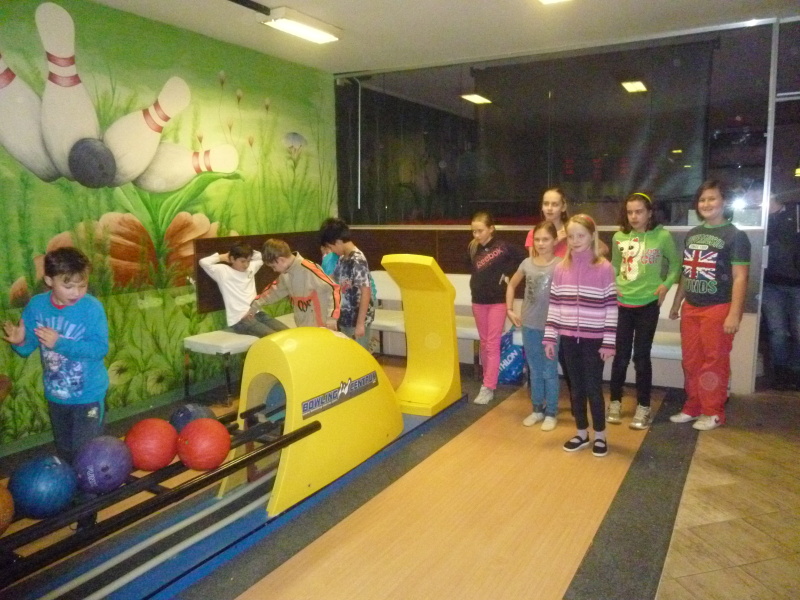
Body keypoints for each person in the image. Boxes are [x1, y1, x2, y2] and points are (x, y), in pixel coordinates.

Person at [3, 247, 109, 463]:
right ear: (49, 280)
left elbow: (99, 349)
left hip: (88, 395)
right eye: (68, 286)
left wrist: (60, 343)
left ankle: (90, 485)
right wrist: (19, 341)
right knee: (65, 450)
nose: (76, 293)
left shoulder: (92, 308)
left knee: (86, 454)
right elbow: (26, 348)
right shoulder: (37, 306)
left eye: (82, 285)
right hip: (56, 395)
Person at [669, 180, 750, 431]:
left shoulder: (736, 236)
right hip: (691, 307)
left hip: (718, 308)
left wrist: (734, 314)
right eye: (702, 199)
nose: (706, 204)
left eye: (712, 198)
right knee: (691, 361)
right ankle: (693, 406)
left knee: (714, 362)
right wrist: (677, 302)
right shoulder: (693, 234)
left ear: (724, 201)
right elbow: (687, 271)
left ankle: (713, 411)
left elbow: (740, 277)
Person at [544, 214, 617, 457]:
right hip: (568, 339)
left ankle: (600, 435)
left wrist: (608, 341)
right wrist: (550, 336)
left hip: (594, 340)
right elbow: (555, 304)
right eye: (571, 236)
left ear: (592, 236)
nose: (575, 241)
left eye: (581, 236)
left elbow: (611, 307)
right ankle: (581, 433)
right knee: (575, 388)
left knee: (593, 389)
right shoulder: (560, 268)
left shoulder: (604, 268)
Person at [607, 192, 680, 429]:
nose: (634, 216)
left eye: (639, 211)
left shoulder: (662, 236)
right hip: (623, 304)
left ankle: (644, 406)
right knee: (620, 356)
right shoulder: (619, 237)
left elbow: (675, 265)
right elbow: (615, 265)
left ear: (649, 213)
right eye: (630, 212)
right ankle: (615, 402)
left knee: (641, 357)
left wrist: (665, 286)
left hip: (648, 304)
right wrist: (614, 285)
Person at [507, 221, 562, 430]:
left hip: (551, 327)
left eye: (545, 239)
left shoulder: (561, 265)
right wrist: (509, 309)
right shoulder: (526, 263)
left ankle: (551, 412)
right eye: (537, 239)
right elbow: (512, 284)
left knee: (549, 369)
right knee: (535, 369)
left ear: (555, 241)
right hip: (529, 324)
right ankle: (537, 409)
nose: (540, 243)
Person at [468, 211, 526, 405]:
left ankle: (488, 386)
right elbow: (473, 272)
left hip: (497, 302)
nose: (476, 235)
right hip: (478, 301)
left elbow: (523, 259)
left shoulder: (503, 247)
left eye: (480, 231)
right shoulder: (473, 248)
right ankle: (488, 380)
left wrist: (508, 274)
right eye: (474, 231)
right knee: (485, 343)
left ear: (491, 229)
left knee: (492, 344)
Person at [247, 239, 340, 330]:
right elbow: (272, 292)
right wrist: (254, 306)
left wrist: (332, 318)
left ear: (281, 260)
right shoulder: (285, 275)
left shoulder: (309, 269)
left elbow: (334, 289)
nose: (274, 270)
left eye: (273, 266)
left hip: (322, 328)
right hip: (303, 327)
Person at [199, 242, 288, 337]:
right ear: (232, 259)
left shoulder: (251, 268)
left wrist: (246, 250)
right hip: (240, 320)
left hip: (257, 313)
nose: (246, 265)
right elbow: (203, 262)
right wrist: (223, 257)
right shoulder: (222, 272)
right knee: (273, 336)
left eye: (248, 261)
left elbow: (260, 256)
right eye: (242, 261)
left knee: (288, 332)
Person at [761, 196, 800, 390]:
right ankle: (781, 373)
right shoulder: (759, 217)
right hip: (770, 283)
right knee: (778, 332)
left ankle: (795, 371)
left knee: (798, 330)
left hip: (796, 283)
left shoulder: (795, 212)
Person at [319, 218, 376, 351]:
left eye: (331, 247)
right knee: (349, 354)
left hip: (357, 319)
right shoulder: (342, 258)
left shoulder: (358, 259)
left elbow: (366, 292)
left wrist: (360, 324)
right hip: (346, 318)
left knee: (359, 355)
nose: (331, 251)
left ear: (338, 242)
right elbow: (332, 279)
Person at [525, 187, 570, 258]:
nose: (549, 208)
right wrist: (554, 242)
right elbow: (534, 262)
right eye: (546, 204)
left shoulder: (571, 232)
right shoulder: (534, 233)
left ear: (563, 207)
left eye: (555, 204)